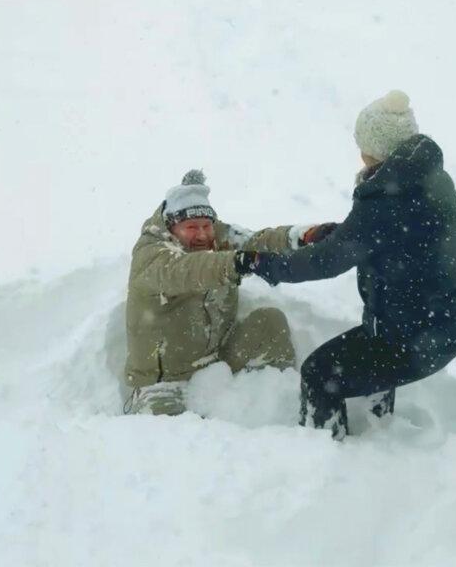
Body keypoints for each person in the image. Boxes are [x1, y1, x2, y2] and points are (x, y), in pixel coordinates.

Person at [246, 90, 456, 439]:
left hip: (416, 338)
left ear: (378, 148)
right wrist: (340, 235)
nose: (359, 154)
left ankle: (324, 458)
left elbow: (326, 262)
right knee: (373, 351)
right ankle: (379, 429)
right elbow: (394, 239)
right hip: (446, 322)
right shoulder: (429, 177)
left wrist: (267, 264)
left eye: (362, 145)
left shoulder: (385, 199)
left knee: (319, 375)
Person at [124, 170, 335, 415]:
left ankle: (275, 404)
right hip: (164, 383)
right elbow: (191, 269)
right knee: (171, 444)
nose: (202, 234)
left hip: (216, 362)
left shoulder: (218, 236)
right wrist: (238, 263)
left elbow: (258, 241)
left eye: (206, 225)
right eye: (192, 227)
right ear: (172, 226)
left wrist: (304, 236)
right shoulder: (152, 255)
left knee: (270, 322)